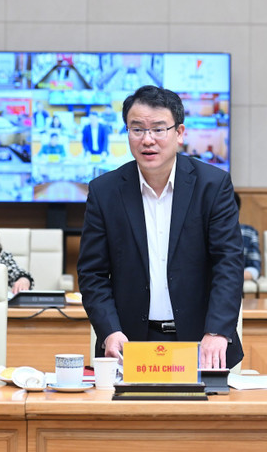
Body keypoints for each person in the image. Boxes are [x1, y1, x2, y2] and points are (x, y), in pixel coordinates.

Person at [78, 85, 244, 370]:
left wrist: (217, 331)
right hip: (128, 345)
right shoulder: (105, 192)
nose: (147, 140)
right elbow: (92, 273)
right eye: (137, 129)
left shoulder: (212, 186)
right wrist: (109, 330)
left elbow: (228, 263)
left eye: (158, 129)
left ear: (179, 133)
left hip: (200, 343)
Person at [234, 193, 261, 282]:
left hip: (234, 282)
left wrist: (231, 276)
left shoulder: (249, 233)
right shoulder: (204, 232)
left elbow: (254, 268)